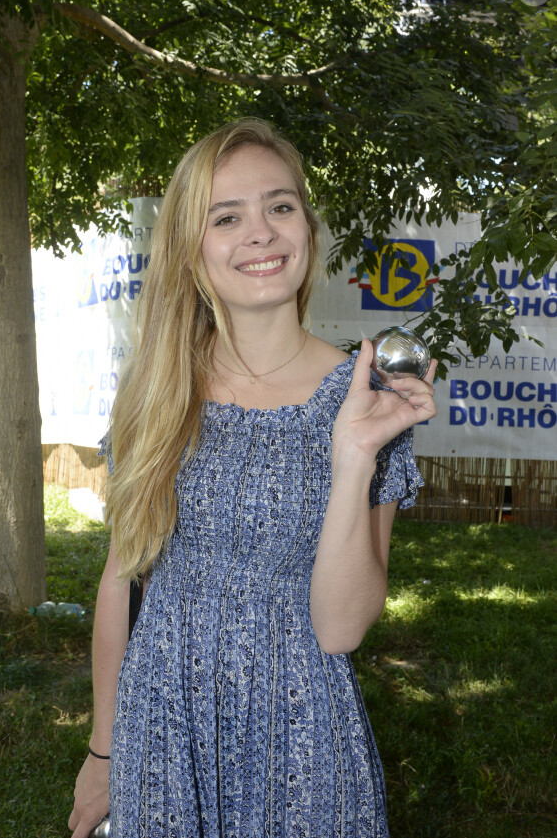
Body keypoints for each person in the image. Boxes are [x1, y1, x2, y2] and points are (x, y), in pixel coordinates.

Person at [68, 118, 437, 838]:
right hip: (163, 739)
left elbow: (341, 627)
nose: (261, 232)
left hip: (303, 743)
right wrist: (102, 749)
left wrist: (355, 453)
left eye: (280, 206)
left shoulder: (365, 399)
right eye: (227, 216)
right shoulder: (157, 388)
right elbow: (123, 578)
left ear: (308, 226)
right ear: (191, 249)